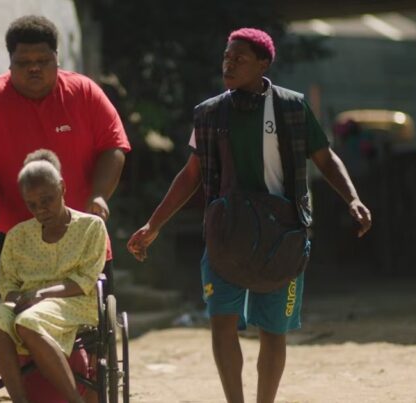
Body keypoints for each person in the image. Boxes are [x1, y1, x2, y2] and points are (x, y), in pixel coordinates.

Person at [127, 28, 372, 403]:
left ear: (263, 64)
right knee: (221, 321)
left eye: (239, 59)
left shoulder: (292, 106)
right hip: (226, 233)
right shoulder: (209, 113)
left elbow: (325, 157)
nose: (229, 63)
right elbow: (191, 174)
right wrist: (153, 224)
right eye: (226, 56)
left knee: (273, 331)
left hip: (283, 235)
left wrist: (352, 198)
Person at [0, 15, 130, 302]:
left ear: (56, 58)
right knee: (5, 315)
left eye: (42, 60)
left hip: (78, 230)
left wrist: (101, 195)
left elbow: (113, 146)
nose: (33, 68)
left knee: (92, 320)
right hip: (11, 234)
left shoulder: (84, 93)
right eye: (23, 62)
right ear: (10, 62)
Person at [0, 149, 106, 403]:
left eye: (47, 200)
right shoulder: (18, 235)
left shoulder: (91, 227)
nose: (41, 210)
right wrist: (18, 297)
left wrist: (41, 295)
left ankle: (75, 400)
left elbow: (86, 279)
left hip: (75, 302)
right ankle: (20, 399)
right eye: (32, 204)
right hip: (25, 305)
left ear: (62, 187)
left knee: (29, 320)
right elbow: (6, 282)